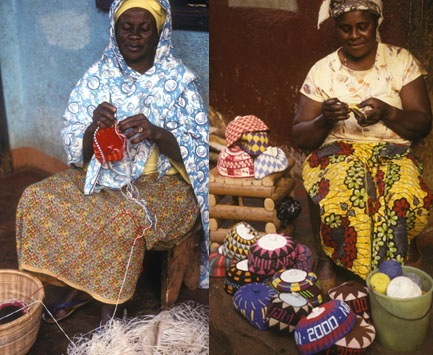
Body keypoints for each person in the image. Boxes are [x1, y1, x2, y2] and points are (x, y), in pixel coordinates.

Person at [16, 0, 209, 325]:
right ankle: (74, 283)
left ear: (159, 31)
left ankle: (111, 307)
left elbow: (199, 153)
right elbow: (75, 141)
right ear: (114, 30)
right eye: (125, 27)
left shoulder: (180, 83)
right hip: (103, 173)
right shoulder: (97, 76)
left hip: (163, 184)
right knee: (36, 197)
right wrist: (94, 128)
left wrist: (157, 133)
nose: (133, 35)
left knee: (121, 218)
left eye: (143, 27)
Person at [292, 0, 433, 290]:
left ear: (376, 23)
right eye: (346, 29)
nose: (354, 35)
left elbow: (423, 123)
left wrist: (387, 111)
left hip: (392, 151)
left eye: (362, 26)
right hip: (339, 152)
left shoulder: (400, 61)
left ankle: (399, 251)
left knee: (400, 192)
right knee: (343, 190)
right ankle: (328, 255)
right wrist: (324, 119)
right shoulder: (323, 70)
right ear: (337, 29)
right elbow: (300, 135)